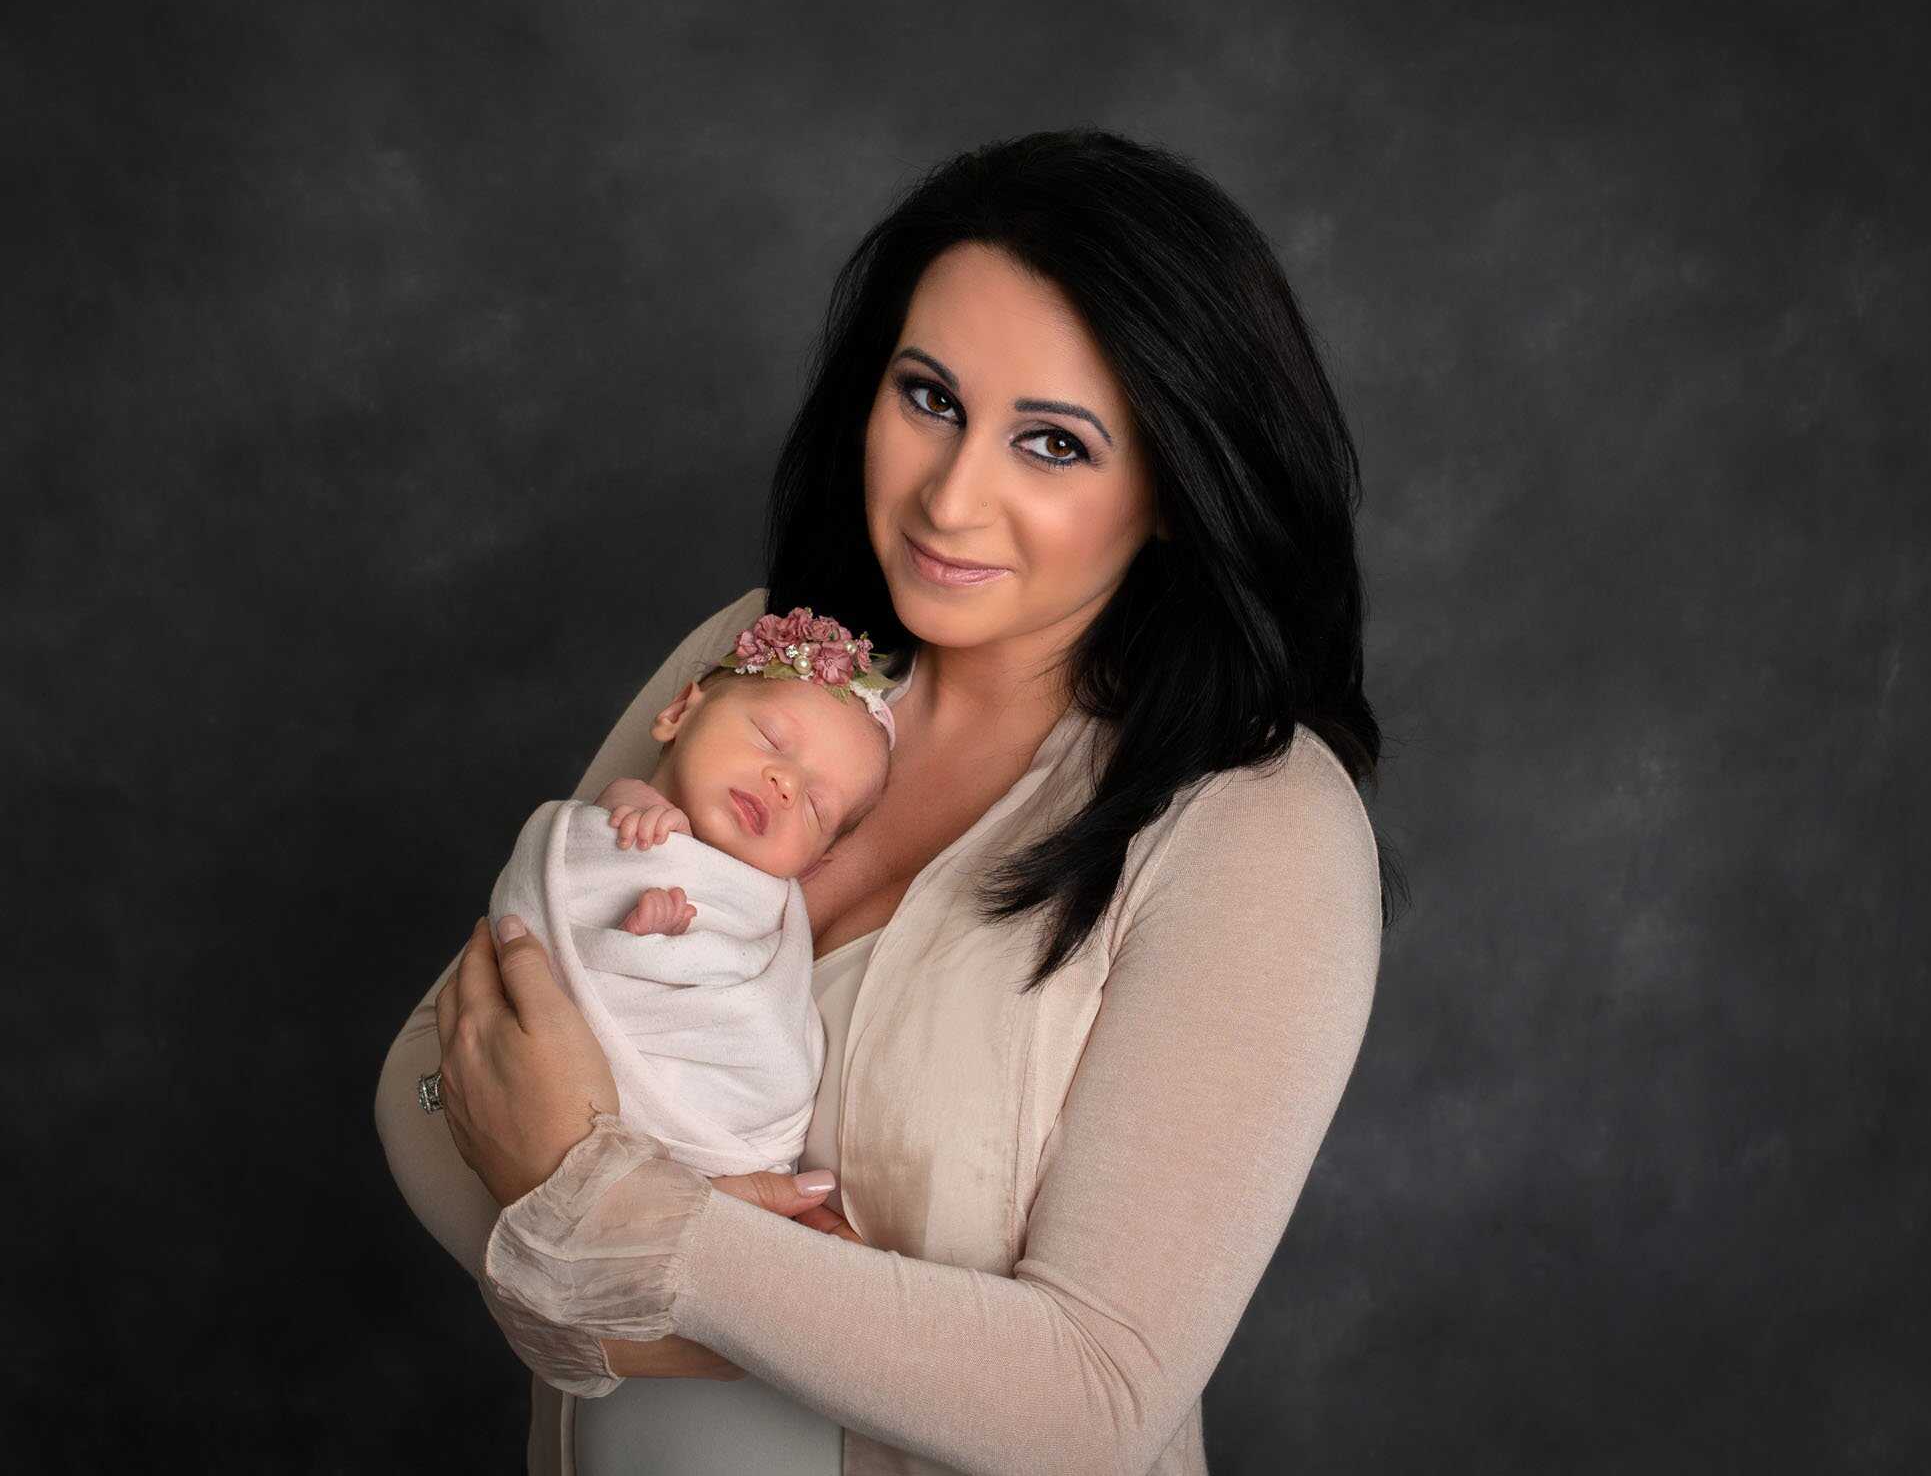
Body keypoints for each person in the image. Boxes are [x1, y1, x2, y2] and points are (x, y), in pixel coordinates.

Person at [375, 127, 1401, 1476]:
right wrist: (689, 1279)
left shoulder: (1257, 828)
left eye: (1053, 442)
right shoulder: (764, 657)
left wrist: (600, 1217)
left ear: (1171, 487)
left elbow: (1086, 1398)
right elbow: (430, 1083)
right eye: (929, 397)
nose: (951, 494)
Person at [458, 605, 899, 1181]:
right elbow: (567, 887)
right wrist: (626, 807)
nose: (786, 784)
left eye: (818, 807)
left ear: (814, 864)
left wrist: (669, 941)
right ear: (677, 713)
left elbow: (757, 1015)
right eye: (770, 738)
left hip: (713, 1126)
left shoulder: (760, 906)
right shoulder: (612, 824)